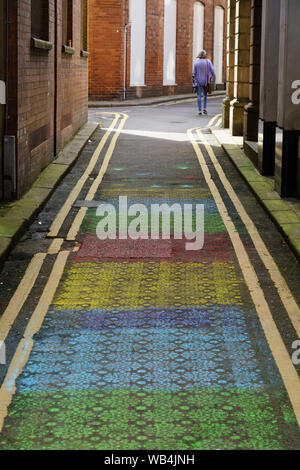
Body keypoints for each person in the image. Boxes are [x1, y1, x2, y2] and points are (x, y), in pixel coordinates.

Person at [192, 50, 215, 116]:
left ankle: (199, 110)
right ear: (205, 55)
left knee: (199, 96)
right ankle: (204, 108)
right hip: (206, 81)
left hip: (198, 82)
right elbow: (213, 71)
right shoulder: (208, 62)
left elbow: (193, 73)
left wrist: (193, 83)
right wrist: (212, 79)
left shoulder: (196, 63)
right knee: (205, 95)